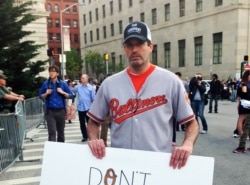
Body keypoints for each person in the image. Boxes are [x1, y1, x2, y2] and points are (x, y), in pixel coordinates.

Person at [87, 21, 199, 169]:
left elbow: (191, 123)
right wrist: (94, 139)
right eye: (129, 45)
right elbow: (93, 121)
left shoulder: (170, 81)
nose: (134, 49)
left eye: (139, 44)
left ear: (150, 46)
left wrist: (187, 144)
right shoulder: (110, 84)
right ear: (124, 49)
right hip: (120, 165)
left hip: (158, 165)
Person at [39, 65, 75, 142]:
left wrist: (63, 92)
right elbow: (40, 96)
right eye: (50, 71)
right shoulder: (46, 84)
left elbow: (71, 95)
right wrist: (46, 93)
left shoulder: (63, 84)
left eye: (53, 71)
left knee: (61, 133)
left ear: (57, 73)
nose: (51, 73)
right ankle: (52, 151)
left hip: (61, 111)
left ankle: (60, 151)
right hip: (50, 111)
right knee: (52, 132)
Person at [72, 74, 95, 142]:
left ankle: (90, 136)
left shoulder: (91, 88)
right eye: (81, 78)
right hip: (80, 108)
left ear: (86, 79)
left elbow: (93, 99)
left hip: (88, 108)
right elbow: (71, 91)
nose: (81, 79)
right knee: (82, 123)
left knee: (89, 123)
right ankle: (84, 136)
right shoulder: (78, 87)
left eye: (83, 78)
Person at [235, 70, 250, 138]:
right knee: (241, 119)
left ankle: (244, 134)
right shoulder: (244, 83)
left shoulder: (245, 83)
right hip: (245, 104)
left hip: (245, 103)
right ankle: (241, 134)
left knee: (244, 119)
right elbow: (244, 93)